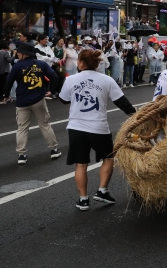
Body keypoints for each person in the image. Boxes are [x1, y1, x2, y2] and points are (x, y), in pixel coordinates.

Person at [58, 49, 136, 210]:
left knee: (81, 164)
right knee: (108, 158)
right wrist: (136, 116)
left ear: (80, 63)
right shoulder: (106, 80)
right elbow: (122, 102)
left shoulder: (71, 79)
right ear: (96, 64)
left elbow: (63, 100)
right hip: (98, 127)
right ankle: (102, 190)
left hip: (76, 128)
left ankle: (83, 199)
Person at [5, 42, 61, 164]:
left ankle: (21, 155)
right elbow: (54, 77)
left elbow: (9, 81)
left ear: (24, 54)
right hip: (39, 99)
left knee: (22, 128)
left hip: (22, 101)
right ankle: (54, 150)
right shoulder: (41, 64)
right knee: (44, 124)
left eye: (18, 52)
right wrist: (51, 91)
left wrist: (5, 95)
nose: (17, 54)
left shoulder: (17, 66)